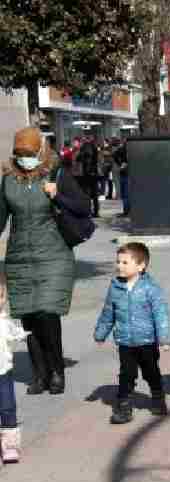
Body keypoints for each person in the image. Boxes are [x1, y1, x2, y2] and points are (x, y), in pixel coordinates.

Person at [0, 127, 90, 396]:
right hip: (20, 257)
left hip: (54, 253)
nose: (24, 158)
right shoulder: (8, 181)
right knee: (29, 317)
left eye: (28, 153)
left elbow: (83, 207)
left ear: (40, 150)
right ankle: (39, 375)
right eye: (19, 154)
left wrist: (57, 195)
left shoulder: (56, 173)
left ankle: (57, 372)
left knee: (47, 313)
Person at [94, 242, 170, 425]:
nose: (119, 266)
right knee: (126, 374)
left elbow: (161, 314)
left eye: (125, 263)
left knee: (151, 372)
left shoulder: (150, 288)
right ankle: (123, 406)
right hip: (125, 341)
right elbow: (108, 312)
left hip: (147, 341)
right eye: (118, 262)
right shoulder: (115, 287)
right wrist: (101, 333)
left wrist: (164, 339)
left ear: (141, 266)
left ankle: (158, 397)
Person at [0, 273, 28, 467]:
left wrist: (21, 334)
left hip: (3, 372)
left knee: (8, 406)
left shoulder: (4, 320)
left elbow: (13, 332)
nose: (0, 301)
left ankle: (10, 445)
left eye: (1, 296)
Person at [74, 138, 101, 217]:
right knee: (95, 194)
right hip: (94, 174)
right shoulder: (94, 149)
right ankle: (96, 212)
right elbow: (96, 160)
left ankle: (88, 211)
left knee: (87, 194)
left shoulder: (83, 150)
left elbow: (78, 158)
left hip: (86, 175)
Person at [113, 139, 130, 216]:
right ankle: (127, 211)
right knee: (126, 193)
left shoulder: (122, 149)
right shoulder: (128, 149)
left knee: (125, 193)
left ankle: (126, 211)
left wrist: (120, 164)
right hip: (127, 173)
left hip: (124, 173)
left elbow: (115, 155)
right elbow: (115, 155)